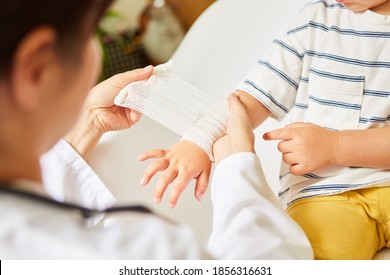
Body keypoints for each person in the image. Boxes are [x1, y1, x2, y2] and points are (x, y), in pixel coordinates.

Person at [0, 0, 312, 259]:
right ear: (37, 70)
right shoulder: (143, 255)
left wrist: (88, 125)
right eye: (89, 34)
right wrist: (238, 168)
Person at [139, 0, 390, 259]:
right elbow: (249, 100)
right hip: (325, 194)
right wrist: (199, 139)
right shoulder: (315, 20)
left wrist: (335, 147)